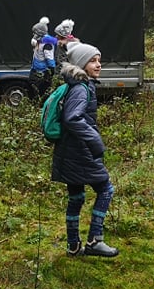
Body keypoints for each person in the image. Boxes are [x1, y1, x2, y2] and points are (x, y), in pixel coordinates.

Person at [51, 42, 118, 257]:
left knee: (77, 197)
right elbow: (73, 118)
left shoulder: (76, 84)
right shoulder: (81, 88)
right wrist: (95, 141)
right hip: (80, 152)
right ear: (81, 64)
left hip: (68, 152)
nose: (98, 65)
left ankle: (73, 246)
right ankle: (94, 240)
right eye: (93, 60)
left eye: (99, 60)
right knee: (106, 189)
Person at [29, 17, 58, 97]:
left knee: (40, 92)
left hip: (42, 72)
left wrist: (51, 70)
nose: (33, 35)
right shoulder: (40, 41)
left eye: (34, 33)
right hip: (35, 70)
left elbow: (49, 59)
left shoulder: (47, 44)